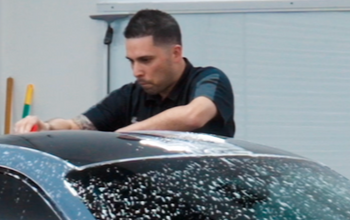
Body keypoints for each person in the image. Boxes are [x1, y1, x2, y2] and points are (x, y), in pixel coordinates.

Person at [14, 9, 235, 137]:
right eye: (132, 61)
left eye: (146, 60)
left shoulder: (209, 79)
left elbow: (193, 116)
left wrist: (123, 135)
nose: (137, 71)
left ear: (176, 53)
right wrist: (47, 127)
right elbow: (76, 126)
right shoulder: (130, 95)